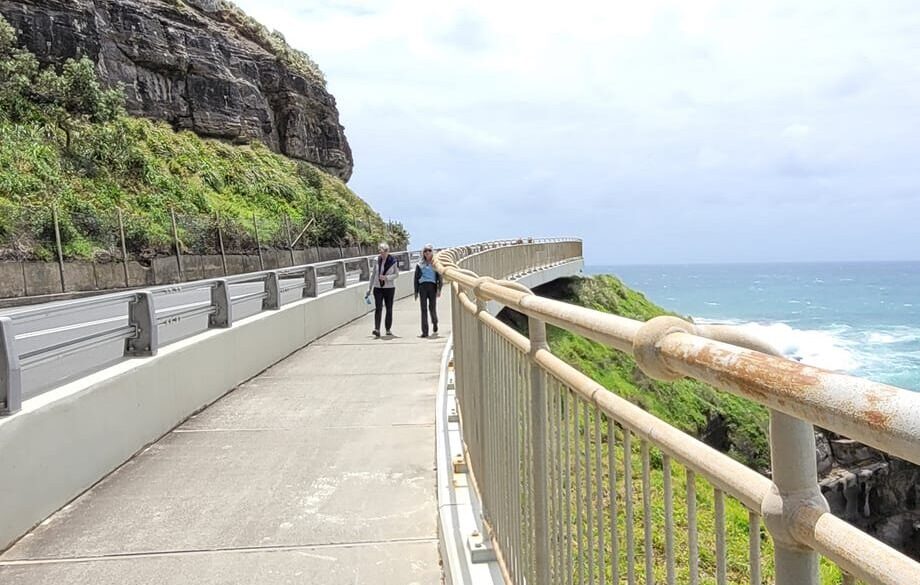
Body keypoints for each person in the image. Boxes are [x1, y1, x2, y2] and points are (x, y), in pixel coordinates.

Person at [366, 242, 399, 337]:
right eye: (381, 251)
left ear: (388, 251)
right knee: (378, 308)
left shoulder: (393, 261)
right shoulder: (376, 260)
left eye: (384, 251)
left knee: (389, 308)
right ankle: (377, 329)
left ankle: (388, 329)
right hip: (378, 287)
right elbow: (373, 275)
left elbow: (396, 274)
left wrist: (387, 277)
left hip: (389, 288)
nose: (382, 253)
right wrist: (369, 288)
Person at [413, 244, 442, 337]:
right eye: (425, 251)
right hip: (422, 287)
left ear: (432, 252)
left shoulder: (435, 263)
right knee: (423, 309)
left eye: (429, 250)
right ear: (423, 253)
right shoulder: (420, 264)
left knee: (432, 308)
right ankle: (425, 332)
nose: (427, 252)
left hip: (432, 286)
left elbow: (439, 277)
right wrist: (416, 291)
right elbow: (416, 278)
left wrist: (439, 289)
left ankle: (435, 322)